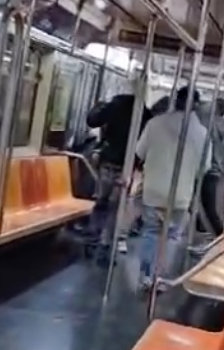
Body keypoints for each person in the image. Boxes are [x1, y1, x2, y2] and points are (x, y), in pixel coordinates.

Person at [135, 86, 209, 291]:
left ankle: (146, 275)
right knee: (171, 236)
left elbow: (139, 152)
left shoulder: (154, 123)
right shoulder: (202, 133)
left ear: (176, 100)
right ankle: (160, 277)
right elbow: (206, 167)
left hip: (154, 189)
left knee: (150, 232)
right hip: (181, 194)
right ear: (195, 106)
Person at [85, 93, 151, 263]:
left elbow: (92, 120)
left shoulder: (115, 105)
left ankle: (92, 242)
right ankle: (106, 249)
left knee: (101, 204)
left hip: (108, 162)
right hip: (127, 167)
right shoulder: (144, 113)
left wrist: (97, 106)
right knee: (116, 209)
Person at [196, 97, 224, 238]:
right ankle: (200, 225)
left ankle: (220, 236)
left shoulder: (210, 124)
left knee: (209, 207)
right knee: (196, 201)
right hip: (213, 169)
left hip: (208, 169)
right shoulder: (220, 124)